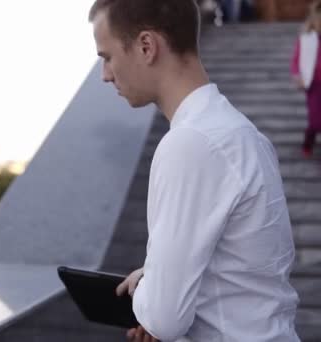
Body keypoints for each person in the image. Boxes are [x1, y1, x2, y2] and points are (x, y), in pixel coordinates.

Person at [88, 0, 300, 341]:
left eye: (107, 57)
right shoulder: (243, 134)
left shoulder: (191, 144)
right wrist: (153, 277)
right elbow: (240, 265)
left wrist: (150, 292)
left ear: (146, 46)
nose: (105, 75)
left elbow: (163, 319)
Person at [291, 0, 321, 158]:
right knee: (315, 120)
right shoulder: (306, 39)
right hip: (314, 85)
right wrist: (298, 76)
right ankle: (308, 141)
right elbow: (296, 60)